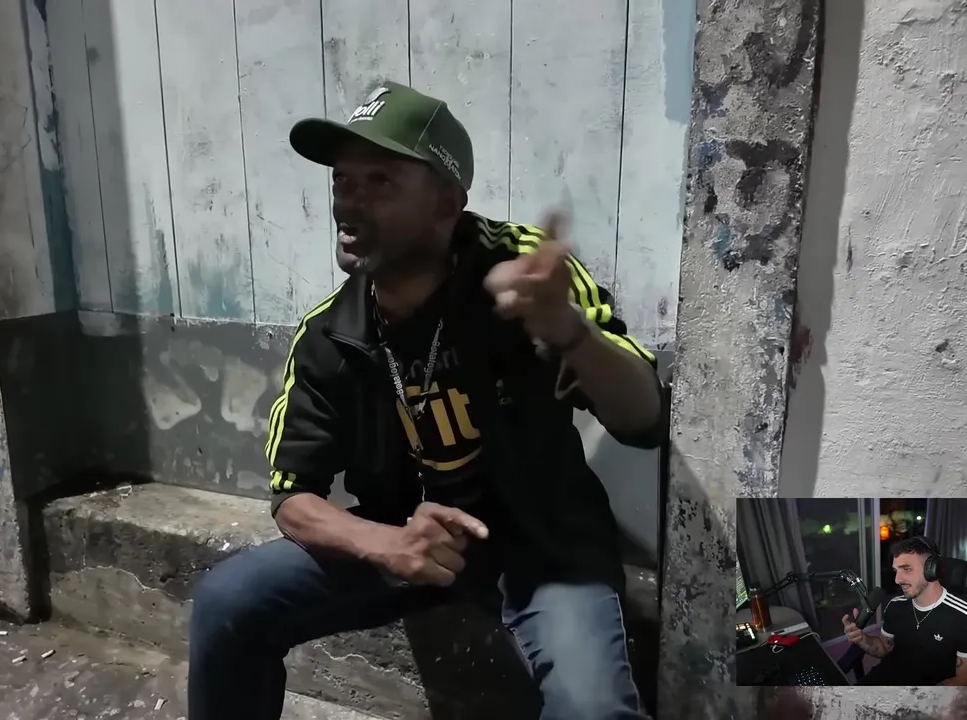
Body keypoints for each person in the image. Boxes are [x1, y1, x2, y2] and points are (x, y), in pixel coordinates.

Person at [186, 82, 666, 720]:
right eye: (342, 181)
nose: (349, 203)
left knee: (593, 708)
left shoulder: (523, 270)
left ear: (446, 201)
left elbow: (643, 419)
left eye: (379, 181)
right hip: (405, 538)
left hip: (544, 543)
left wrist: (566, 327)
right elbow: (293, 497)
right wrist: (386, 544)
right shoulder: (330, 334)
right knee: (228, 602)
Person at [841, 537, 967, 686]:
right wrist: (862, 638)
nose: (897, 579)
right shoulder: (895, 605)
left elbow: (966, 682)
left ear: (932, 569)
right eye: (896, 571)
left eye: (906, 569)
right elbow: (884, 647)